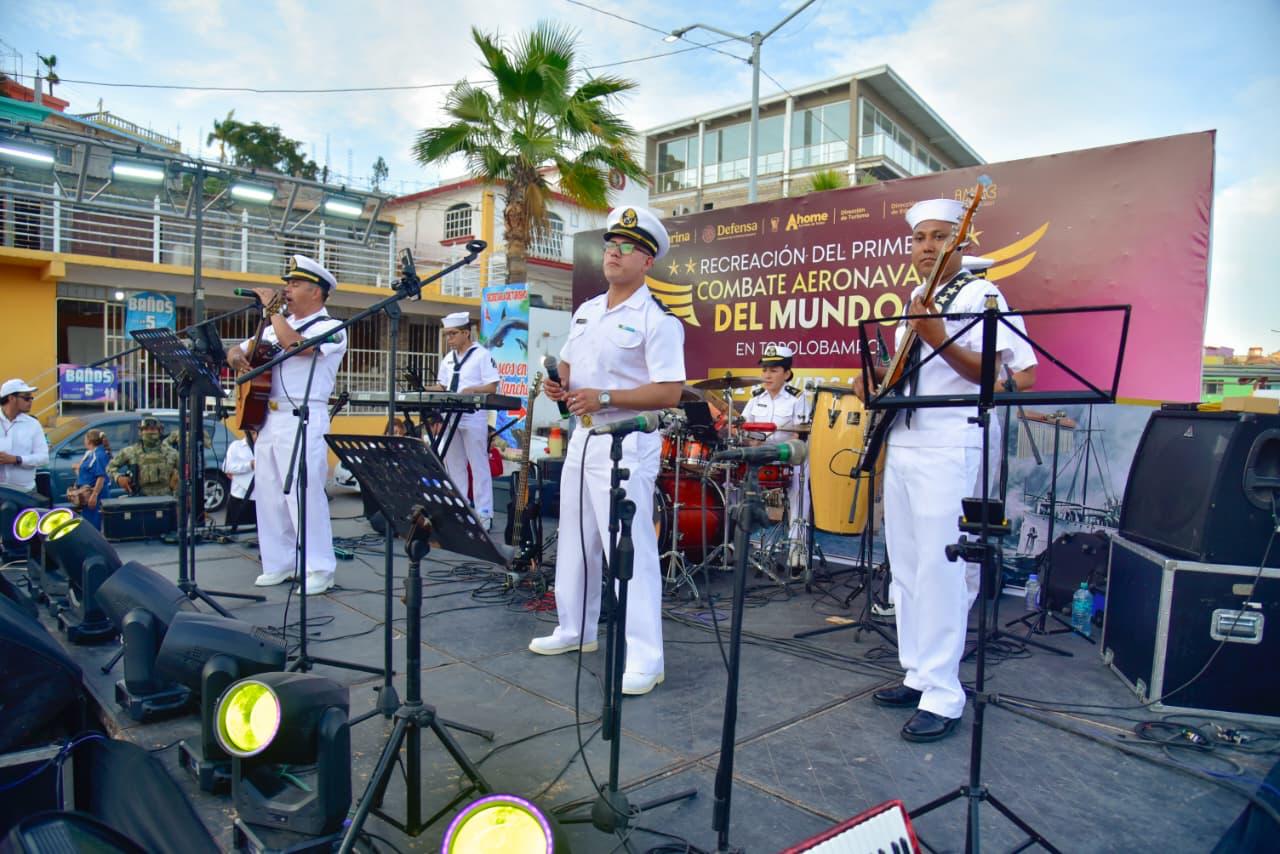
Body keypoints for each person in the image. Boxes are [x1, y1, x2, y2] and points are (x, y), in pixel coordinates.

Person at [860, 198, 1037, 743]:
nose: (927, 247)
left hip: (951, 440)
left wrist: (938, 337)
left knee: (942, 568)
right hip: (906, 439)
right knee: (908, 566)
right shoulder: (916, 299)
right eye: (919, 238)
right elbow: (915, 373)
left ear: (962, 241)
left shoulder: (982, 295)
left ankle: (943, 693)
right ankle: (917, 673)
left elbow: (1014, 376)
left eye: (939, 237)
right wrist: (877, 380)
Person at [530, 206, 685, 696]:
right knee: (575, 539)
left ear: (647, 261)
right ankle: (575, 628)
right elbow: (570, 369)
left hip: (627, 442)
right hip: (583, 437)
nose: (614, 253)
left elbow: (669, 392)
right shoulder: (588, 310)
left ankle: (646, 658)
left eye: (627, 248)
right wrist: (558, 385)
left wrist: (605, 397)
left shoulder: (658, 320)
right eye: (611, 245)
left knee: (630, 549)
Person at [226, 255, 347, 595]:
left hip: (303, 417)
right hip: (267, 417)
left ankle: (319, 568)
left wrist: (273, 312)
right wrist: (236, 358)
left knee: (303, 494)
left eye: (295, 284)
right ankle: (280, 563)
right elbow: (235, 350)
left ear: (316, 292)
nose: (287, 290)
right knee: (268, 495)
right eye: (287, 284)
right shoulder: (272, 327)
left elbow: (297, 347)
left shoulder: (331, 327)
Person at [741, 344, 810, 569]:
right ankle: (736, 541)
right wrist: (749, 440)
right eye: (765, 370)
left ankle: (797, 547)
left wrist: (780, 449)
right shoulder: (755, 398)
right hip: (760, 458)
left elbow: (800, 434)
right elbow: (742, 429)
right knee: (730, 479)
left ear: (787, 374)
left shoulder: (797, 398)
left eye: (773, 370)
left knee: (800, 485)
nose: (767, 375)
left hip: (787, 457)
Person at [433, 311, 500, 529]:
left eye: (453, 334)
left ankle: (484, 513)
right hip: (450, 415)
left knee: (478, 464)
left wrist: (473, 389)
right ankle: (460, 510)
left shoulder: (482, 355)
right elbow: (442, 386)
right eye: (447, 334)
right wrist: (422, 388)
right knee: (454, 465)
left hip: (472, 417)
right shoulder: (448, 359)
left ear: (466, 333)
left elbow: (492, 386)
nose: (449, 338)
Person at [107, 416, 180, 497]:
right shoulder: (130, 452)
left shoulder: (171, 453)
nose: (149, 432)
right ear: (141, 432)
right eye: (146, 429)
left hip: (166, 499)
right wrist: (118, 477)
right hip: (140, 499)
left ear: (159, 431)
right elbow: (110, 467)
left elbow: (185, 474)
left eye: (153, 429)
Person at [0, 379, 49, 494]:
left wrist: (17, 459)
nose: (31, 401)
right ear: (11, 398)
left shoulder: (33, 424)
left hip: (25, 491)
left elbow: (43, 458)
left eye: (31, 398)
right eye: (26, 398)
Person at [69, 429, 111, 529]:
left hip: (95, 495)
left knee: (95, 525)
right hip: (86, 496)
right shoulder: (90, 453)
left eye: (85, 439)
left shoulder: (100, 454)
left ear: (89, 441)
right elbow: (87, 474)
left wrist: (94, 495)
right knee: (88, 524)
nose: (84, 441)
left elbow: (101, 477)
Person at [222, 429, 256, 534]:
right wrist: (249, 465)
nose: (256, 436)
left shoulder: (265, 447)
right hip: (239, 497)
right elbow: (226, 467)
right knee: (235, 534)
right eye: (253, 433)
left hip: (260, 499)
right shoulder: (236, 446)